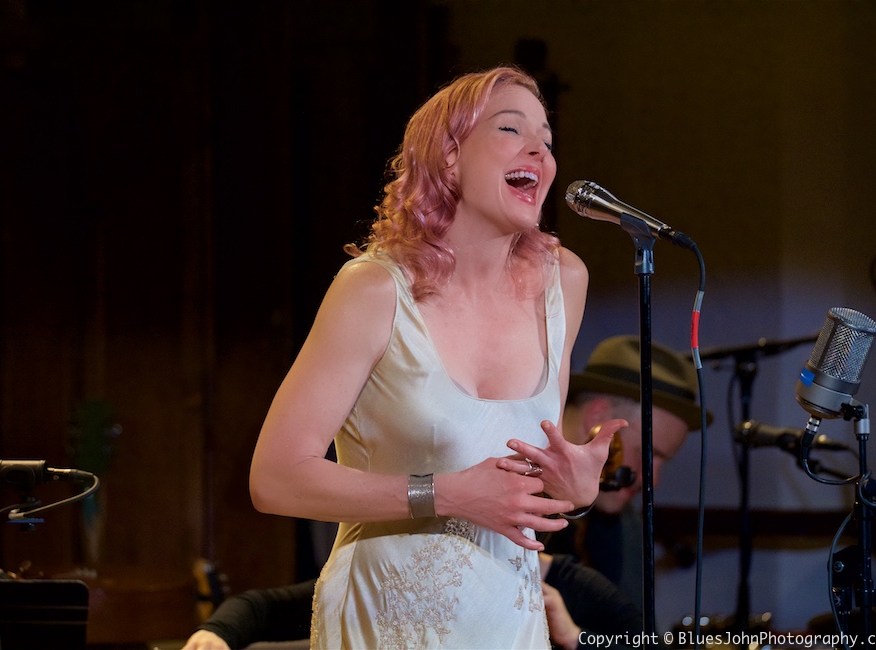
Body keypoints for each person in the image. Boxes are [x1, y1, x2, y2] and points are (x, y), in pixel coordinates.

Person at [248, 66, 621, 648]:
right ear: (449, 158)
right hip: (384, 614)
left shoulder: (564, 281)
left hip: (507, 619)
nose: (540, 152)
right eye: (510, 129)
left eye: (547, 140)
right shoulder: (372, 290)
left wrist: (572, 494)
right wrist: (444, 493)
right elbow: (274, 479)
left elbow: (511, 482)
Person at [546, 335, 712, 608]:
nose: (653, 481)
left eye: (662, 462)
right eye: (647, 454)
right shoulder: (513, 487)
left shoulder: (627, 526)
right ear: (598, 418)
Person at [180, 553, 644, 650]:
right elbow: (265, 608)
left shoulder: (573, 584)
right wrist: (215, 634)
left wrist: (578, 638)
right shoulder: (419, 574)